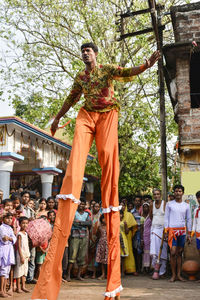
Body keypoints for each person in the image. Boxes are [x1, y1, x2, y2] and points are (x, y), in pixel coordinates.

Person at [32, 42, 160, 300]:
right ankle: (69, 191)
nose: (85, 54)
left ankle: (112, 284)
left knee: (108, 159)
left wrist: (147, 64)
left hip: (107, 116)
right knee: (77, 156)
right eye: (83, 52)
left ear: (96, 55)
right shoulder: (81, 77)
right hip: (87, 116)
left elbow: (127, 71)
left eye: (88, 51)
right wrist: (57, 118)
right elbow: (71, 98)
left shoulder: (106, 70)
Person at [164, 184, 192, 282]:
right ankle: (173, 275)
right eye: (176, 191)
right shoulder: (169, 204)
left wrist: (189, 233)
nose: (178, 193)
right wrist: (166, 231)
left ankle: (179, 275)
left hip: (182, 231)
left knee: (179, 253)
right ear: (174, 193)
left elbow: (189, 219)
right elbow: (166, 218)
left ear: (183, 193)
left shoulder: (186, 205)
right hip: (172, 231)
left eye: (180, 191)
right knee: (172, 253)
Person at [66, 200, 91, 282]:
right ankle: (68, 274)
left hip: (83, 236)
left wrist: (80, 222)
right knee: (72, 254)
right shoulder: (74, 213)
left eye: (83, 204)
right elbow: (73, 223)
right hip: (75, 236)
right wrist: (84, 223)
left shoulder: (87, 214)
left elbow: (89, 223)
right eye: (80, 204)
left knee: (82, 255)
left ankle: (79, 275)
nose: (81, 205)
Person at [149, 188, 167, 278]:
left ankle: (162, 272)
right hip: (154, 229)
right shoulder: (151, 204)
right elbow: (151, 216)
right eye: (155, 194)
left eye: (158, 194)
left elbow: (167, 217)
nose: (156, 196)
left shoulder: (164, 204)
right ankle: (155, 270)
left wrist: (165, 229)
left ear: (160, 195)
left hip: (163, 230)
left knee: (163, 251)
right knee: (154, 251)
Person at [0, 212, 17, 297]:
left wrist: (10, 238)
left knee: (7, 270)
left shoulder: (10, 228)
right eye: (7, 218)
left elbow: (14, 238)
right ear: (3, 219)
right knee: (3, 271)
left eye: (11, 218)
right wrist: (10, 238)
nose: (9, 220)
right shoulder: (2, 227)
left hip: (9, 250)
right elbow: (4, 238)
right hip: (4, 250)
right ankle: (1, 290)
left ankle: (4, 290)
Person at [121, 201, 137, 275]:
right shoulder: (116, 215)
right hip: (119, 235)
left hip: (128, 235)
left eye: (123, 205)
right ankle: (122, 270)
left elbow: (134, 226)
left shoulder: (129, 214)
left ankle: (131, 269)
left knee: (129, 251)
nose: (122, 207)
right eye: (120, 205)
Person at [14, 216, 30, 293]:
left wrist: (28, 255)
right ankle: (18, 287)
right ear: (19, 224)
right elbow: (19, 246)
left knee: (24, 271)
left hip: (26, 254)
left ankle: (23, 286)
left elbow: (27, 245)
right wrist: (21, 256)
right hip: (21, 255)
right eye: (23, 223)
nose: (25, 225)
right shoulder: (19, 234)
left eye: (26, 223)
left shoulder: (26, 234)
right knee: (19, 271)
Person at [88, 202, 101, 278]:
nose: (96, 208)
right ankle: (88, 271)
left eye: (98, 207)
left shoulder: (101, 215)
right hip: (89, 236)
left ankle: (95, 273)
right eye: (95, 206)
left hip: (98, 237)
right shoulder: (89, 215)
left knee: (96, 254)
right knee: (89, 254)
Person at [131, 195, 143, 274]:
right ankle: (136, 269)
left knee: (142, 251)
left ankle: (141, 268)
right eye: (136, 200)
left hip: (143, 232)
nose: (137, 202)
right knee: (135, 250)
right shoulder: (132, 212)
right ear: (134, 202)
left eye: (139, 200)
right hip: (135, 233)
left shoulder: (144, 210)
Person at [96, 214, 108, 280]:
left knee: (108, 259)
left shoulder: (110, 226)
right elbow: (97, 234)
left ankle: (108, 274)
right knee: (102, 260)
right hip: (101, 244)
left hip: (108, 244)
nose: (104, 220)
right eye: (103, 218)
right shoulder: (100, 227)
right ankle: (103, 274)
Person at [191, 190, 200, 274]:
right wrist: (192, 234)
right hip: (198, 236)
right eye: (198, 197)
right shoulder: (196, 210)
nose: (199, 199)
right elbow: (194, 223)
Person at [141, 203, 151, 273]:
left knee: (150, 252)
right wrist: (141, 238)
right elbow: (141, 228)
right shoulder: (141, 217)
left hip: (150, 235)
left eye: (147, 207)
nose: (145, 209)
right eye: (144, 207)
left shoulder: (151, 216)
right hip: (144, 236)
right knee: (145, 252)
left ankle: (150, 267)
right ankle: (145, 267)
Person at [119, 210, 129, 277]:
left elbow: (127, 232)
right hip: (116, 238)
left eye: (121, 214)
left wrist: (126, 226)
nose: (120, 215)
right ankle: (117, 271)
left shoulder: (124, 222)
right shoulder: (114, 221)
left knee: (123, 257)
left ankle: (122, 272)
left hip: (123, 238)